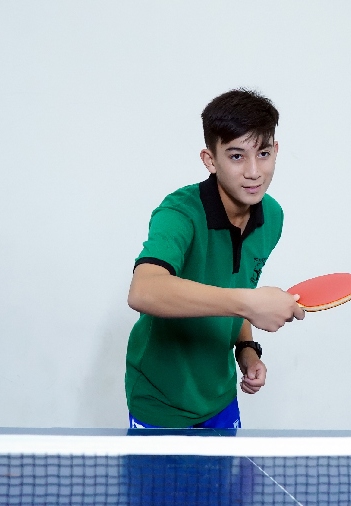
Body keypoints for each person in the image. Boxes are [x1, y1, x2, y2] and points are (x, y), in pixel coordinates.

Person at [125, 89, 304, 429]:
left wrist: (247, 349)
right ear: (210, 160)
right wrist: (250, 302)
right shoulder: (179, 212)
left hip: (220, 400)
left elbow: (237, 288)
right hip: (161, 402)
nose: (254, 171)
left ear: (276, 152)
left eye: (263, 153)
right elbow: (143, 291)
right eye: (237, 156)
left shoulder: (272, 216)